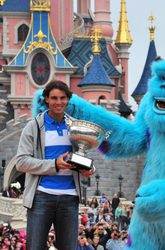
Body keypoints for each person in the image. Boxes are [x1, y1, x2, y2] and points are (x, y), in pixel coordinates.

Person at [16, 80, 93, 250]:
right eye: (54, 98)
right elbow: (21, 162)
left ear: (68, 99)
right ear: (47, 100)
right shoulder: (34, 127)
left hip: (70, 197)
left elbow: (82, 156)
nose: (58, 102)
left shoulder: (75, 126)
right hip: (41, 196)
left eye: (63, 98)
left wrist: (88, 169)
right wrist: (54, 164)